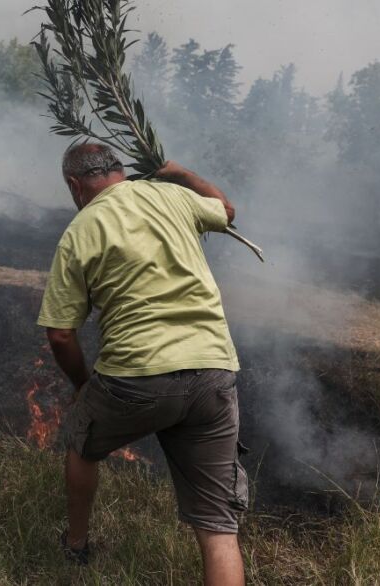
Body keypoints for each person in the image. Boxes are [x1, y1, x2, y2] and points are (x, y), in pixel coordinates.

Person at [37, 142, 247, 585]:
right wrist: (179, 171)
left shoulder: (81, 229)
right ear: (120, 171)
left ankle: (76, 546)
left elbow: (60, 333)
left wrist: (81, 385)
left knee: (80, 440)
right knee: (217, 526)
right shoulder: (172, 195)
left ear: (76, 186)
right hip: (212, 370)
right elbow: (226, 211)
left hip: (134, 376)